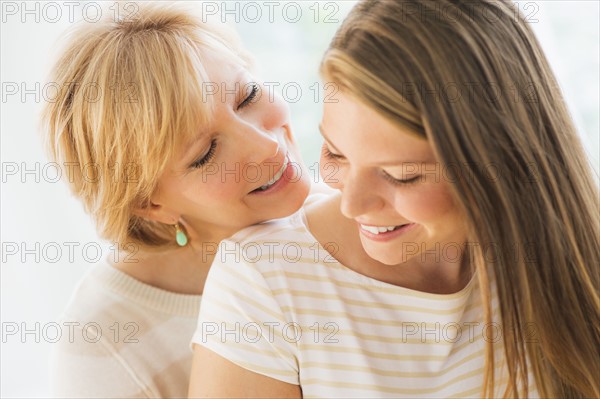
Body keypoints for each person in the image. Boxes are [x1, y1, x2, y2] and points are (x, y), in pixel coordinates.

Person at [189, 0, 600, 397]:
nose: (352, 205)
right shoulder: (263, 280)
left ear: (502, 158)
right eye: (335, 153)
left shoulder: (570, 256)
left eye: (400, 176)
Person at [42, 3, 313, 397]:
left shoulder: (352, 213)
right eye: (205, 153)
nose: (267, 146)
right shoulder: (103, 347)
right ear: (149, 205)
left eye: (248, 96)